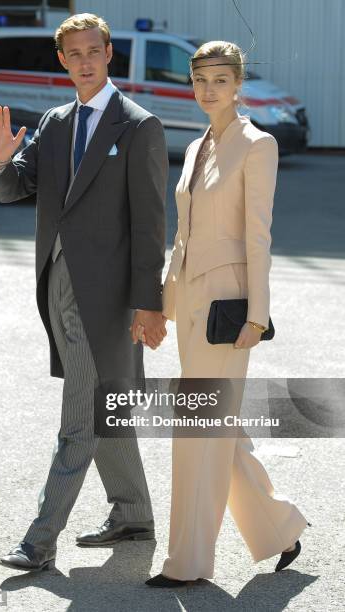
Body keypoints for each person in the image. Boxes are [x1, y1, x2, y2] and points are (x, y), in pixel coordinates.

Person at [0, 13, 168, 572]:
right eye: (74, 54)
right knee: (106, 406)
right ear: (62, 61)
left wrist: (148, 301)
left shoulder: (139, 125)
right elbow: (16, 187)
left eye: (94, 51)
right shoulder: (56, 122)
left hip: (107, 299)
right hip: (57, 287)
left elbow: (150, 224)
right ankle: (133, 513)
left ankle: (39, 540)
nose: (85, 61)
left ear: (109, 53)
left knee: (80, 418)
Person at [144, 41, 311, 587]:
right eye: (200, 80)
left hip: (227, 310)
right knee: (218, 429)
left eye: (220, 80)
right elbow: (184, 234)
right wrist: (163, 306)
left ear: (239, 84)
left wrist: (257, 316)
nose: (208, 90)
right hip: (190, 305)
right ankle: (279, 526)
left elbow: (258, 237)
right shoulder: (194, 148)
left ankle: (187, 563)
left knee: (197, 429)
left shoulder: (257, 145)